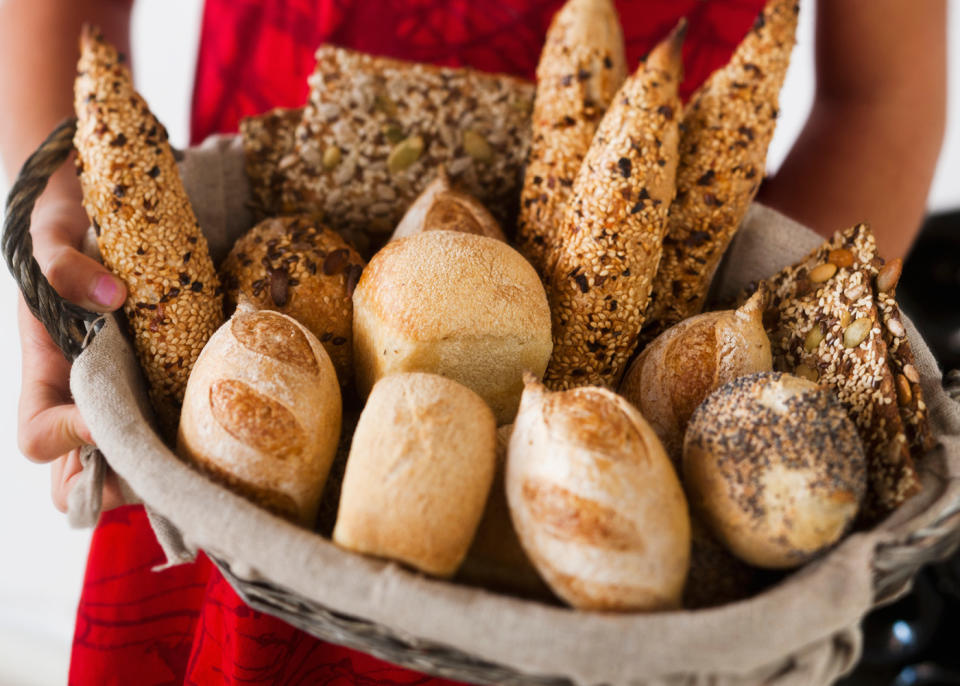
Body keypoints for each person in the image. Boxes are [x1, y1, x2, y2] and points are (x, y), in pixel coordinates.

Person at [0, 0, 946, 683]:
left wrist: (763, 353)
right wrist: (66, 207)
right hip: (228, 412)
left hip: (630, 600)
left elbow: (879, 97)